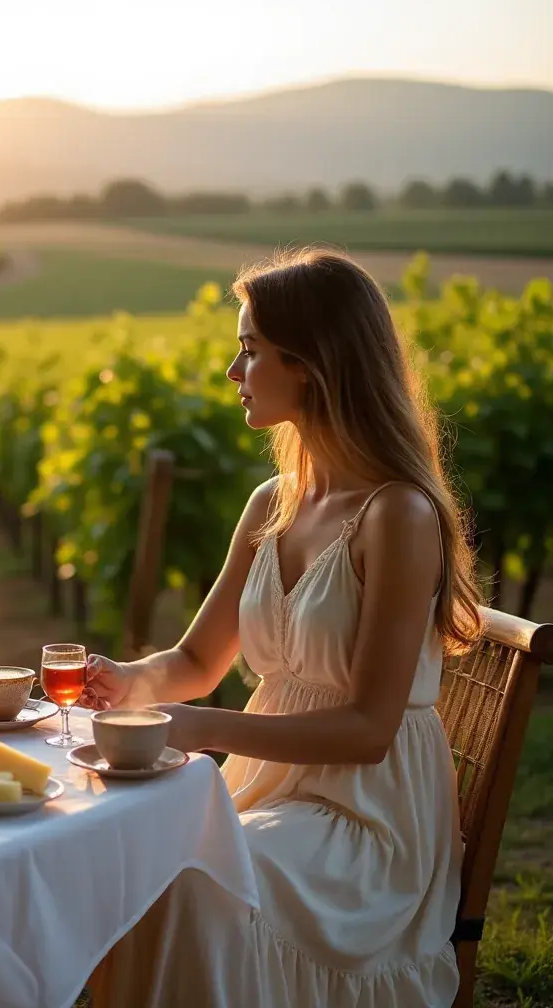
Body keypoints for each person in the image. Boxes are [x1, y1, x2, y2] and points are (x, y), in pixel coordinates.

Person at [82, 248, 483, 1007]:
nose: (234, 372)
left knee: (198, 887)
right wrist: (130, 681)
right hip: (273, 792)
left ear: (311, 363)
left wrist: (198, 727)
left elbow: (369, 729)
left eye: (250, 350)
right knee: (139, 864)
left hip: (365, 820)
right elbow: (197, 657)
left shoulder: (398, 514)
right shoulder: (273, 501)